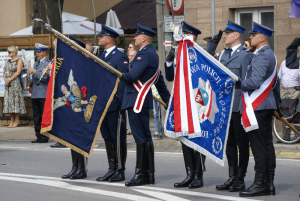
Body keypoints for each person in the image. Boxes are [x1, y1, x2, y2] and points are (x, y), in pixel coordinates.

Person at [206, 20, 253, 192]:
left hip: (238, 105)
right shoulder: (223, 53)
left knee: (242, 143)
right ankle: (232, 176)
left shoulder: (246, 55)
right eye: (224, 33)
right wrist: (213, 43)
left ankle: (240, 178)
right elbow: (208, 61)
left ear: (237, 35)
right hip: (223, 106)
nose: (224, 36)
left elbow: (248, 82)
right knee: (229, 143)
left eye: (227, 33)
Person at [121, 23, 170, 187]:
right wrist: (167, 100)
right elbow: (159, 79)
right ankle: (149, 174)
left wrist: (122, 75)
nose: (134, 38)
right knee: (145, 137)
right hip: (139, 98)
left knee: (140, 138)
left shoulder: (145, 54)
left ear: (144, 38)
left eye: (136, 35)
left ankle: (140, 174)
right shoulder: (151, 54)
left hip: (136, 99)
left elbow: (133, 75)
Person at [164, 21, 206, 189]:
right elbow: (169, 77)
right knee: (184, 137)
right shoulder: (179, 53)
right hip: (182, 101)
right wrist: (169, 62)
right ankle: (189, 174)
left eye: (184, 34)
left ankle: (199, 175)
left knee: (198, 138)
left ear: (192, 36)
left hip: (197, 99)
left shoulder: (198, 52)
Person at [238, 22, 278, 197]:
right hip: (265, 105)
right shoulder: (269, 53)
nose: (250, 37)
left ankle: (260, 183)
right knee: (267, 145)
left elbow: (254, 82)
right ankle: (268, 183)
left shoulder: (262, 55)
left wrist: (239, 83)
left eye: (253, 35)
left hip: (258, 106)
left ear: (261, 38)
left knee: (259, 146)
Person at [96, 25, 129, 183]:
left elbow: (123, 80)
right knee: (107, 137)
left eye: (101, 36)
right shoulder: (101, 55)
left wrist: (120, 101)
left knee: (117, 137)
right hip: (103, 103)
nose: (99, 38)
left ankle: (120, 169)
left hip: (115, 104)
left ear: (108, 39)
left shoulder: (119, 56)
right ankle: (111, 168)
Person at [61, 36, 88, 180]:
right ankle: (75, 167)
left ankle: (81, 169)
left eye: (71, 46)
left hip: (80, 101)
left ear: (77, 48)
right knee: (72, 135)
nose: (69, 48)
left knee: (79, 136)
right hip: (72, 102)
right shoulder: (69, 62)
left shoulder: (82, 62)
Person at [29, 43, 50, 143]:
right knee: (36, 116)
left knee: (43, 115)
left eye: (39, 52)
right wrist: (30, 81)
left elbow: (46, 78)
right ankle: (38, 135)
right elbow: (36, 78)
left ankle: (45, 136)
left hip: (43, 94)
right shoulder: (35, 63)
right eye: (36, 52)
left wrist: (34, 72)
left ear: (44, 53)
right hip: (35, 93)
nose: (37, 53)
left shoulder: (47, 63)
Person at [278, 42, 300, 141]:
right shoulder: (283, 63)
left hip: (295, 90)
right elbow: (279, 76)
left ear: (298, 54)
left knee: (295, 113)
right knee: (284, 111)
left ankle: (297, 135)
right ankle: (285, 137)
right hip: (284, 90)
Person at [3, 46, 27, 127]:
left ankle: (17, 121)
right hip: (8, 85)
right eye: (8, 52)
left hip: (15, 84)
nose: (8, 53)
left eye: (9, 52)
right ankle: (11, 121)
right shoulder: (7, 61)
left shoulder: (19, 60)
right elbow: (4, 72)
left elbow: (18, 72)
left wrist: (9, 79)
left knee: (16, 102)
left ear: (14, 53)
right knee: (9, 102)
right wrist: (5, 79)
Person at [126, 49, 137, 135]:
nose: (130, 57)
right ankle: (129, 128)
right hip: (128, 95)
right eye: (129, 56)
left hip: (136, 96)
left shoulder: (137, 66)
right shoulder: (126, 65)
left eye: (132, 56)